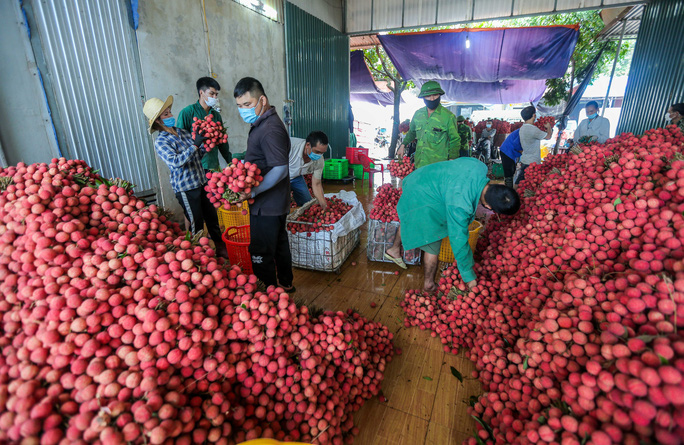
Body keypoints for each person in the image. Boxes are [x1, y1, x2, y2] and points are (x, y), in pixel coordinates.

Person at [385, 158, 520, 291]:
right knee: (433, 243)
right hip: (423, 195)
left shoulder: (479, 166)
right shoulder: (460, 204)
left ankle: (394, 249)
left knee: (411, 217)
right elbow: (458, 240)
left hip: (420, 178)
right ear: (488, 206)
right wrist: (469, 277)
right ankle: (429, 284)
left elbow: (455, 164)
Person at [143, 95, 228, 258]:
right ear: (158, 121)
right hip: (186, 189)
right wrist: (195, 145)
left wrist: (203, 144)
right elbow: (176, 162)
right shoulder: (161, 142)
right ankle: (198, 254)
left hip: (202, 182)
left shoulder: (182, 132)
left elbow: (196, 155)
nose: (170, 116)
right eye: (166, 114)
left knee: (212, 218)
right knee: (196, 223)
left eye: (169, 112)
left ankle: (220, 248)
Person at [233, 77, 294, 292]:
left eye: (248, 105)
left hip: (266, 204)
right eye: (240, 106)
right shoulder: (262, 123)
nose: (243, 110)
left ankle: (267, 296)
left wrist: (253, 192)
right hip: (274, 202)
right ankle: (285, 285)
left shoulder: (270, 129)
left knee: (261, 251)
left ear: (262, 100)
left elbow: (280, 169)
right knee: (278, 245)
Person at [397, 81, 462, 168]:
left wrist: (451, 160)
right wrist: (403, 145)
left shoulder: (448, 116)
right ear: (423, 97)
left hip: (438, 166)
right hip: (420, 164)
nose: (432, 99)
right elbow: (412, 133)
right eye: (428, 96)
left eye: (435, 95)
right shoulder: (418, 114)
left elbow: (455, 140)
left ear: (439, 95)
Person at [176, 77, 232, 172]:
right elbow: (180, 141)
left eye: (216, 94)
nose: (215, 97)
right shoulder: (187, 112)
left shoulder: (216, 115)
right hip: (195, 167)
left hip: (213, 165)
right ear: (201, 93)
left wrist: (231, 163)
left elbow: (223, 144)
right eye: (211, 93)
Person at [289, 131, 328, 208]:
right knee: (282, 207)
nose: (319, 155)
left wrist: (323, 204)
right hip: (281, 176)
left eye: (322, 153)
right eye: (317, 152)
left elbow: (316, 183)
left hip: (296, 177)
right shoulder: (290, 146)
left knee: (307, 203)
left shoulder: (319, 161)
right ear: (307, 145)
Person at [517, 106, 553, 185]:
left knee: (521, 182)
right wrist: (549, 127)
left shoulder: (523, 128)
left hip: (525, 159)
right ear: (534, 115)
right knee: (528, 184)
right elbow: (548, 136)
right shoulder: (532, 129)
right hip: (532, 162)